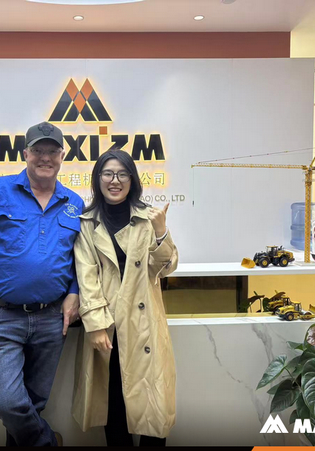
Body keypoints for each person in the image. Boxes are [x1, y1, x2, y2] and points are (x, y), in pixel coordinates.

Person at [0, 121, 83, 446]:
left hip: (51, 318)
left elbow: (82, 257)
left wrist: (75, 291)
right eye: (38, 150)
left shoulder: (74, 203)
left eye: (52, 151)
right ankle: (49, 443)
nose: (45, 157)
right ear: (25, 153)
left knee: (33, 405)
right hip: (0, 317)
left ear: (62, 156)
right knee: (8, 402)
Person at [71, 149, 179, 446]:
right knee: (113, 404)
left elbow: (165, 268)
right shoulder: (87, 222)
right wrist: (95, 324)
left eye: (122, 174)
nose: (114, 180)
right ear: (98, 179)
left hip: (143, 323)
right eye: (107, 173)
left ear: (132, 180)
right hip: (108, 323)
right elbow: (86, 275)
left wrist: (161, 233)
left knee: (152, 401)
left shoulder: (148, 218)